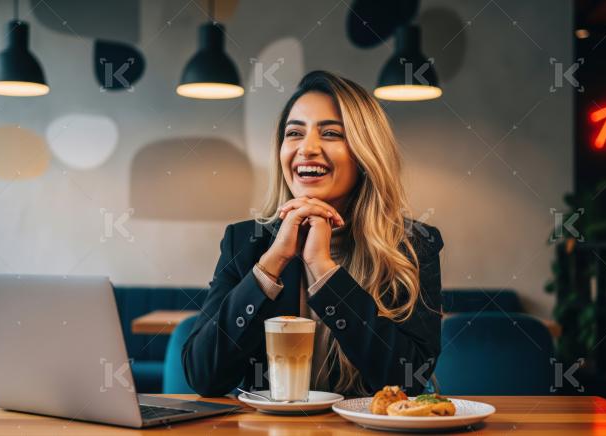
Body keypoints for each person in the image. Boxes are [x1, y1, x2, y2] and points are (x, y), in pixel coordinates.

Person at [182, 70, 444, 397]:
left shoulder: (413, 245)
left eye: (331, 133)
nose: (307, 148)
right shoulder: (245, 243)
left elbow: (407, 380)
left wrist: (323, 269)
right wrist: (271, 264)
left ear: (366, 154)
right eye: (294, 133)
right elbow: (204, 375)